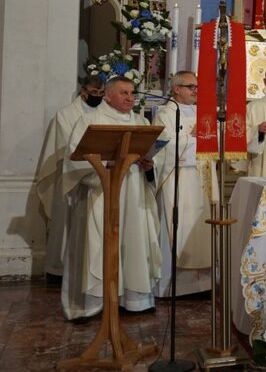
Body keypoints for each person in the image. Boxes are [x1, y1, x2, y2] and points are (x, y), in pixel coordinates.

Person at [60, 77, 161, 320]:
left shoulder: (141, 122)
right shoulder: (90, 121)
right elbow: (75, 159)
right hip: (101, 193)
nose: (130, 98)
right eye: (123, 93)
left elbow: (153, 158)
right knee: (99, 244)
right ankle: (93, 304)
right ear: (107, 95)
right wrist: (107, 164)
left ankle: (135, 300)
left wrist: (149, 166)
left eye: (132, 93)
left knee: (134, 242)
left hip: (134, 192)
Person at [152, 71, 218, 296]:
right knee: (178, 228)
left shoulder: (202, 113)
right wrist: (194, 138)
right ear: (176, 89)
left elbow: (215, 141)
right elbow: (164, 147)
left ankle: (203, 284)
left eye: (197, 87)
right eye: (191, 87)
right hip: (178, 178)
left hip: (203, 177)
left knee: (202, 228)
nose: (195, 91)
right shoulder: (165, 115)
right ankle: (174, 288)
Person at [34, 74, 105, 278]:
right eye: (94, 92)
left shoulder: (104, 113)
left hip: (99, 174)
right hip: (73, 176)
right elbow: (69, 146)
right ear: (83, 91)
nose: (98, 96)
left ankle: (89, 269)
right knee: (66, 224)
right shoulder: (66, 114)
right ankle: (59, 269)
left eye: (101, 93)